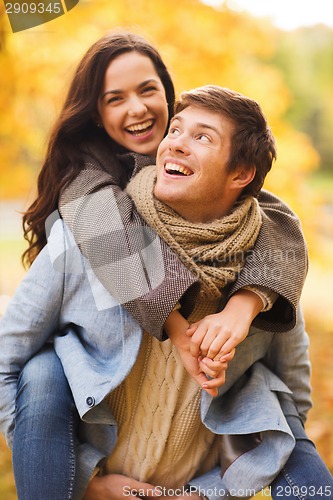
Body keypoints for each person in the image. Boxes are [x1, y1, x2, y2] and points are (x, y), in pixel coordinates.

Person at [0, 32, 312, 499]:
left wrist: (244, 306)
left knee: (281, 413)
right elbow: (12, 356)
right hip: (92, 440)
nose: (138, 109)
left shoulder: (228, 192)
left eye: (148, 90)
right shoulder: (90, 195)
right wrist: (84, 482)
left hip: (194, 460)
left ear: (168, 94)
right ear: (96, 114)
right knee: (42, 371)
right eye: (114, 99)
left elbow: (275, 218)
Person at [80, 85, 333, 499]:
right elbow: (14, 367)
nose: (176, 144)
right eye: (175, 130)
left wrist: (206, 494)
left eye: (202, 137)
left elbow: (293, 403)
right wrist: (85, 484)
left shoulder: (268, 268)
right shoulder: (99, 229)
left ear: (241, 174)